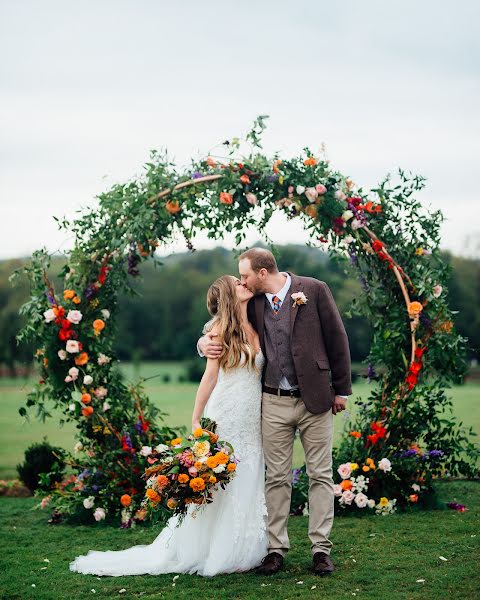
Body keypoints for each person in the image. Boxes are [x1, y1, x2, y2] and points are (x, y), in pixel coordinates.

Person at [69, 275, 268, 577]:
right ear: (229, 294)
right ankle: (213, 551)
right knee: (225, 477)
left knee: (250, 474)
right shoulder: (217, 332)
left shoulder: (257, 320)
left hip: (252, 416)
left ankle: (245, 547)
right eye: (237, 283)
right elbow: (210, 378)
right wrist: (196, 417)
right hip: (226, 411)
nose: (244, 284)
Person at [198, 248, 352, 576]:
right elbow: (223, 322)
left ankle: (321, 549)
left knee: (320, 474)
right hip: (273, 401)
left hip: (316, 399)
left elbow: (337, 338)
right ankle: (276, 548)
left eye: (245, 275)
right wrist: (203, 344)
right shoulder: (252, 302)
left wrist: (341, 389)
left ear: (263, 272)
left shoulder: (314, 289)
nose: (242, 281)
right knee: (277, 477)